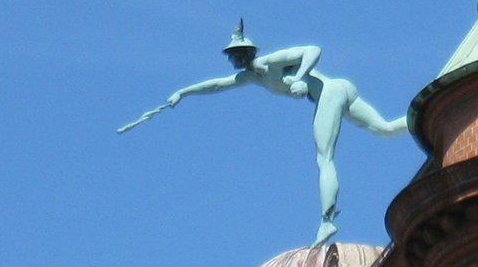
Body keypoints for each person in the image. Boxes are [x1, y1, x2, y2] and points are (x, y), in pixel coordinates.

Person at [121, 22, 409, 245]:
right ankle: (425, 113)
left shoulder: (268, 63)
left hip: (331, 93)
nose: (232, 61)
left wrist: (298, 78)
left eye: (234, 55)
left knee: (324, 158)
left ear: (245, 53)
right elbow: (218, 85)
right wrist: (182, 92)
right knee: (385, 130)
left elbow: (313, 50)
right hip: (339, 90)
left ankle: (327, 220)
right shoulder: (251, 76)